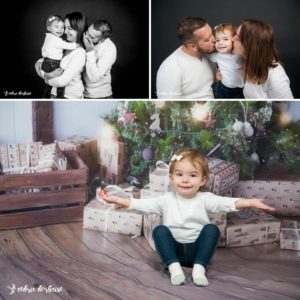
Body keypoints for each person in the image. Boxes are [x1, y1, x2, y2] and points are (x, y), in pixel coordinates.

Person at [100, 148, 276, 287]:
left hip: (197, 251)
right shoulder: (166, 200)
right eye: (179, 174)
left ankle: (199, 269)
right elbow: (140, 205)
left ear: (202, 180)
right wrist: (116, 199)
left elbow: (227, 203)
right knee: (160, 230)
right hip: (174, 251)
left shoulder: (205, 198)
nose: (185, 180)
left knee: (211, 229)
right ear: (171, 178)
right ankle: (175, 268)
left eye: (192, 175)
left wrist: (250, 202)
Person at [156, 17, 216, 99]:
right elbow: (167, 105)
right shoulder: (170, 68)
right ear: (193, 47)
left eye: (212, 33)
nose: (214, 39)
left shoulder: (210, 54)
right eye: (207, 39)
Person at [232, 19, 293, 99]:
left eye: (237, 39)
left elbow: (286, 106)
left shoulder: (275, 76)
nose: (232, 39)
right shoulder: (246, 62)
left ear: (249, 47)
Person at [35, 12, 87, 99]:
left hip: (70, 96)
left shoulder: (80, 52)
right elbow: (44, 59)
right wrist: (40, 66)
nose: (65, 31)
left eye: (69, 28)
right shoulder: (64, 44)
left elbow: (62, 81)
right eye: (65, 27)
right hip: (56, 93)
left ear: (78, 29)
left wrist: (46, 78)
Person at [41, 15, 78, 98]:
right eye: (56, 27)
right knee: (60, 82)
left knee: (49, 85)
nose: (60, 29)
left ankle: (45, 97)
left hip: (47, 62)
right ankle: (60, 97)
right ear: (49, 28)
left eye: (62, 27)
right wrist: (76, 45)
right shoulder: (54, 39)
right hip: (52, 63)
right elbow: (65, 45)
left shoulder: (49, 37)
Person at [208, 23, 244, 98]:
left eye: (225, 39)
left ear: (233, 40)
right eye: (217, 40)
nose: (221, 43)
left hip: (239, 88)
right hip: (223, 87)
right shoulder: (217, 56)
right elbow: (205, 56)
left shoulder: (238, 55)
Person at [83, 20, 117, 98]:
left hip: (100, 96)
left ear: (102, 40)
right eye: (87, 32)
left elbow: (94, 77)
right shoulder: (87, 39)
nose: (85, 37)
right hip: (83, 94)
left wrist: (90, 52)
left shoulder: (110, 49)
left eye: (91, 37)